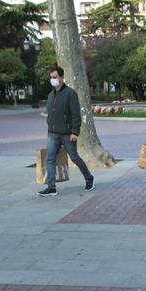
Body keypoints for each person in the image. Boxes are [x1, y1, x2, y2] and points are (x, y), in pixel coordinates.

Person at [38, 66, 94, 196]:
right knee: (50, 159)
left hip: (67, 134)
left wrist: (75, 132)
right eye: (51, 77)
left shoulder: (70, 94)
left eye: (55, 77)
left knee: (74, 157)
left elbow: (76, 114)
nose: (52, 80)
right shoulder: (51, 95)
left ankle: (89, 178)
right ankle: (51, 187)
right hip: (53, 134)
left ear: (62, 78)